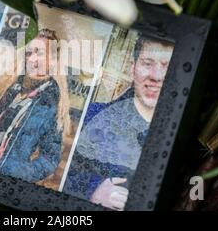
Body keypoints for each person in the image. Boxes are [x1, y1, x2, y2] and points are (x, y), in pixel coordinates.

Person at [63, 35, 174, 210]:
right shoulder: (92, 115)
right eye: (147, 63)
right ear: (133, 68)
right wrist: (92, 193)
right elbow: (59, 176)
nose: (156, 76)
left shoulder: (180, 134)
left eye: (167, 66)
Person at [0, 29, 71, 183]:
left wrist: (19, 174)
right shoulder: (14, 84)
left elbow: (50, 159)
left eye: (39, 53)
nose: (31, 58)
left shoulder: (52, 104)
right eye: (28, 53)